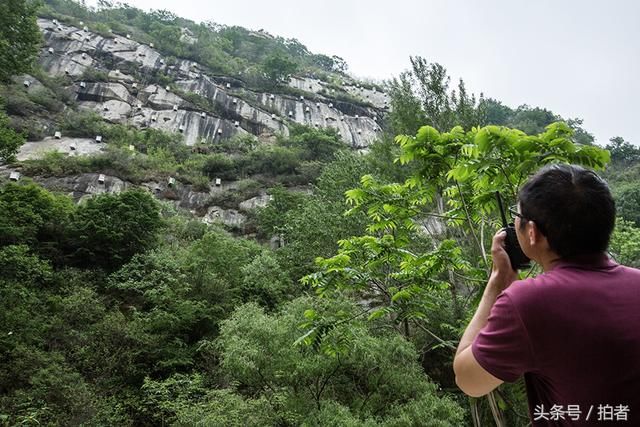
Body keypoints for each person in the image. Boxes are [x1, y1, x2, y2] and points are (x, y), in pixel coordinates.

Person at [453, 164, 640, 426]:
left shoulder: (528, 302)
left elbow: (468, 379)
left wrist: (497, 282)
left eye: (516, 216)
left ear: (532, 233)